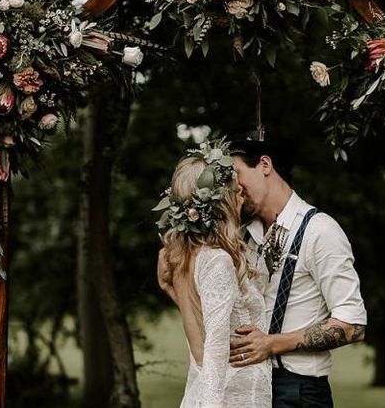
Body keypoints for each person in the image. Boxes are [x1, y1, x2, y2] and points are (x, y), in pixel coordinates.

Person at [227, 139, 366, 408]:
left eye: (236, 174)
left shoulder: (320, 231)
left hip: (300, 391)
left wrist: (272, 344)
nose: (234, 187)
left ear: (264, 165)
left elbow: (352, 325)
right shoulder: (245, 235)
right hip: (251, 386)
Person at [155, 139, 271, 408]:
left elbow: (204, 324)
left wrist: (170, 290)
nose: (242, 195)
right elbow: (215, 353)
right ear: (220, 202)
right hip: (228, 399)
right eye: (236, 191)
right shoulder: (216, 261)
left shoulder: (185, 257)